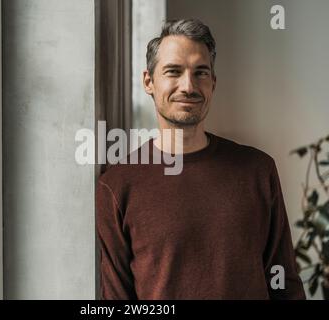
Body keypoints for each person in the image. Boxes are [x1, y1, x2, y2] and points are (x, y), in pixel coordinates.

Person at [96, 19, 306, 300]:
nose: (188, 86)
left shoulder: (257, 170)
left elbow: (284, 283)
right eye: (174, 71)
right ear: (149, 81)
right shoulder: (117, 185)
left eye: (201, 72)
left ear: (213, 83)